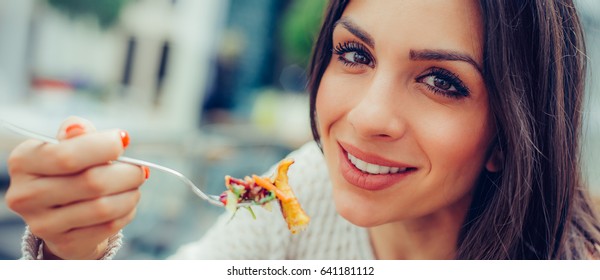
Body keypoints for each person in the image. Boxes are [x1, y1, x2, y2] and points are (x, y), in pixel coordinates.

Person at [5, 0, 600, 260]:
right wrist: (70, 252)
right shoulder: (305, 188)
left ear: (509, 137)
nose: (366, 118)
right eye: (355, 54)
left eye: (442, 81)